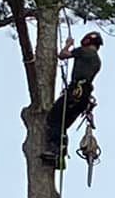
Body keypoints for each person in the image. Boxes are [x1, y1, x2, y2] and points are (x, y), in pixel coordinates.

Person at [40, 33, 103, 164]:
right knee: (62, 125)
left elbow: (63, 55)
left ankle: (55, 151)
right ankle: (60, 153)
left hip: (75, 92)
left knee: (54, 118)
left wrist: (68, 44)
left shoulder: (85, 51)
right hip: (83, 97)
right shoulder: (97, 60)